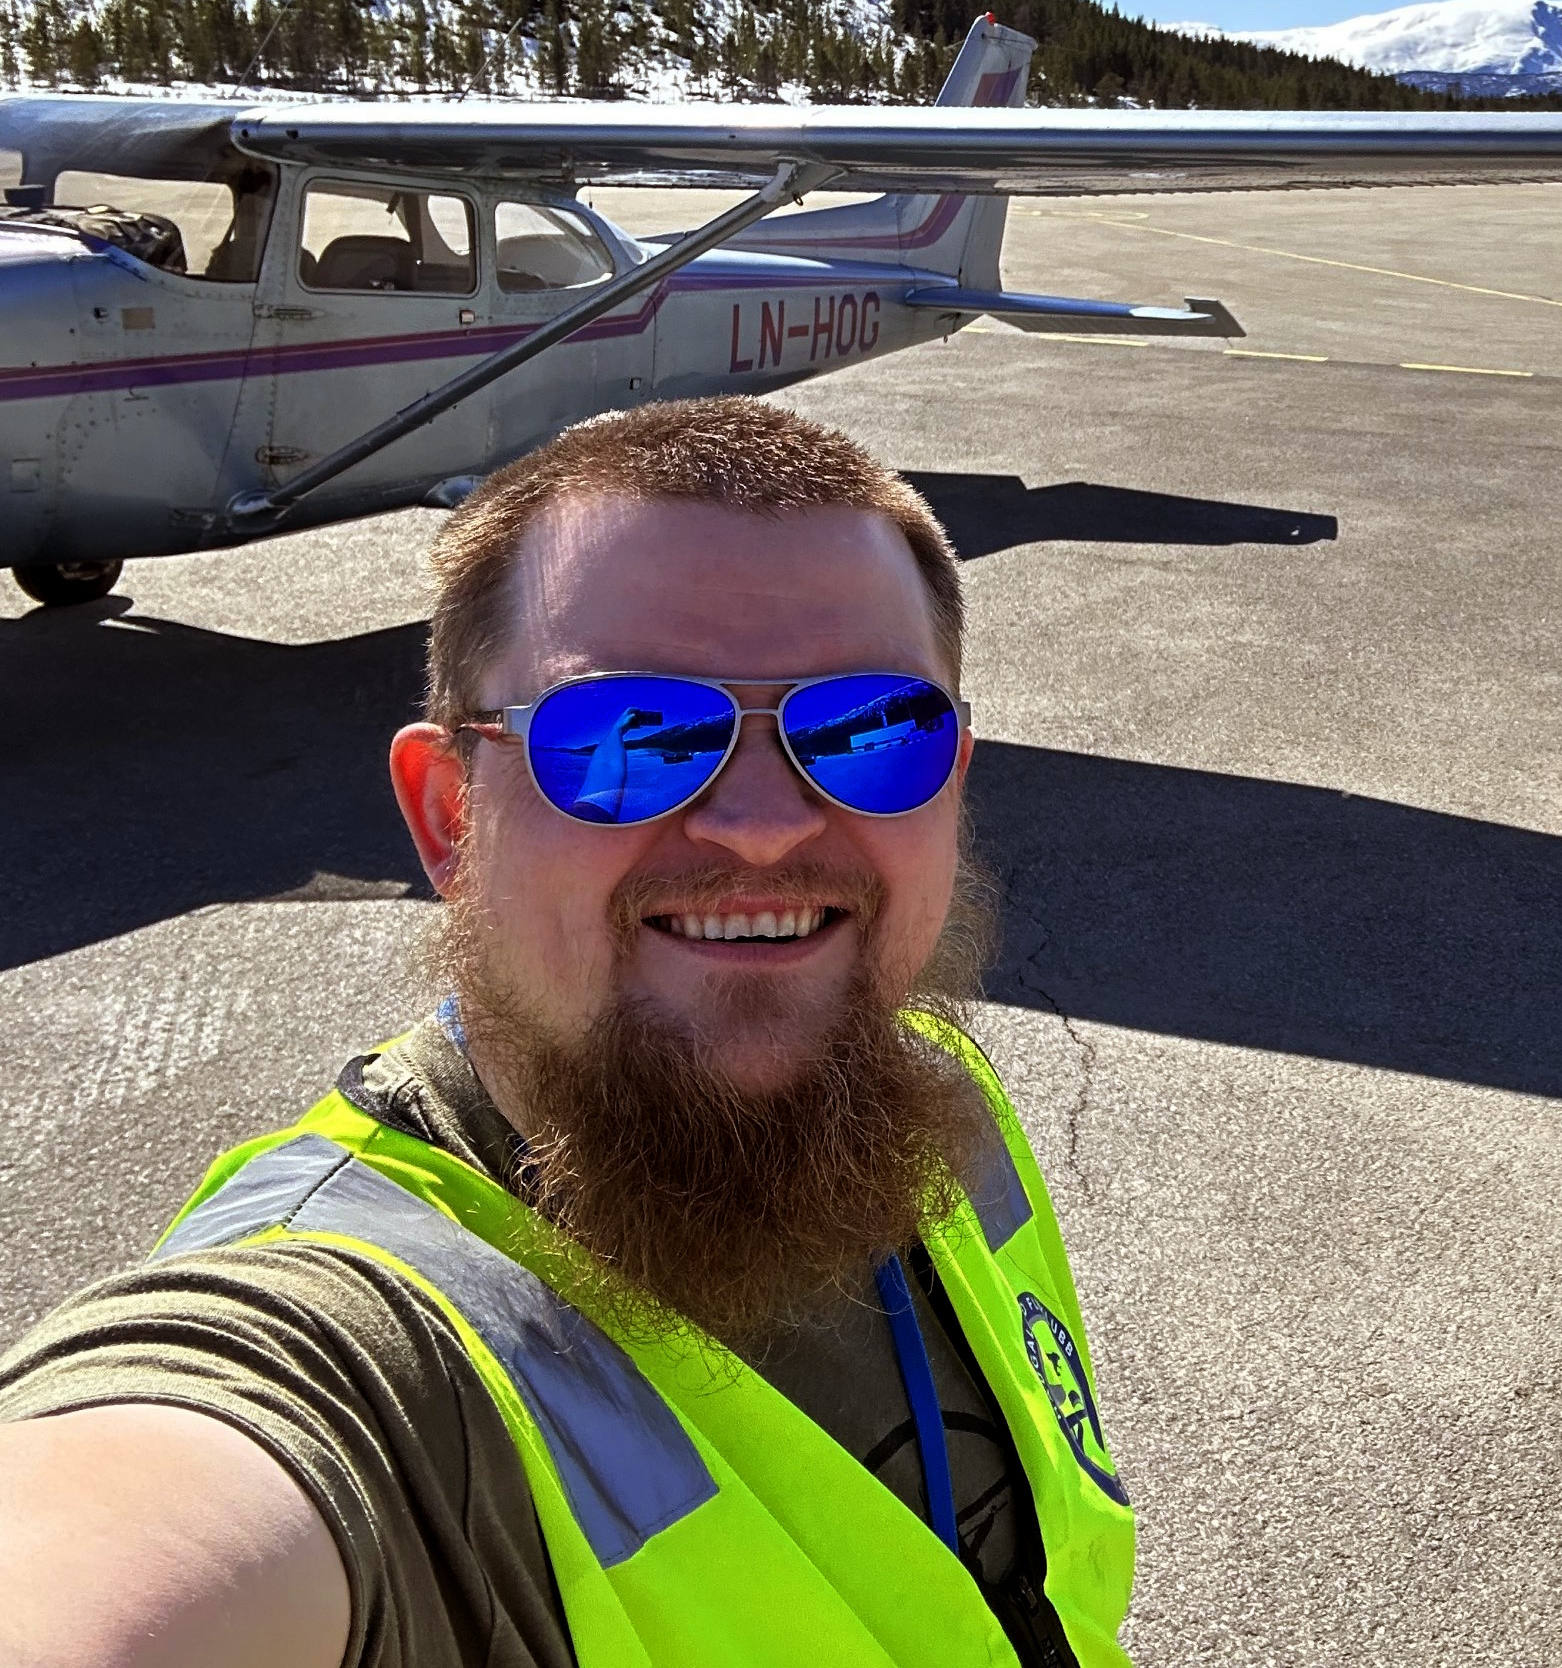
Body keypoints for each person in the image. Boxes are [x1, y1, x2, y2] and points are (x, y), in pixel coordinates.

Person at [0, 399, 1134, 1667]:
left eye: (873, 729)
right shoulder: (357, 1351)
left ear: (954, 775)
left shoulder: (932, 1093)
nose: (762, 823)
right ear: (449, 818)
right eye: (628, 739)